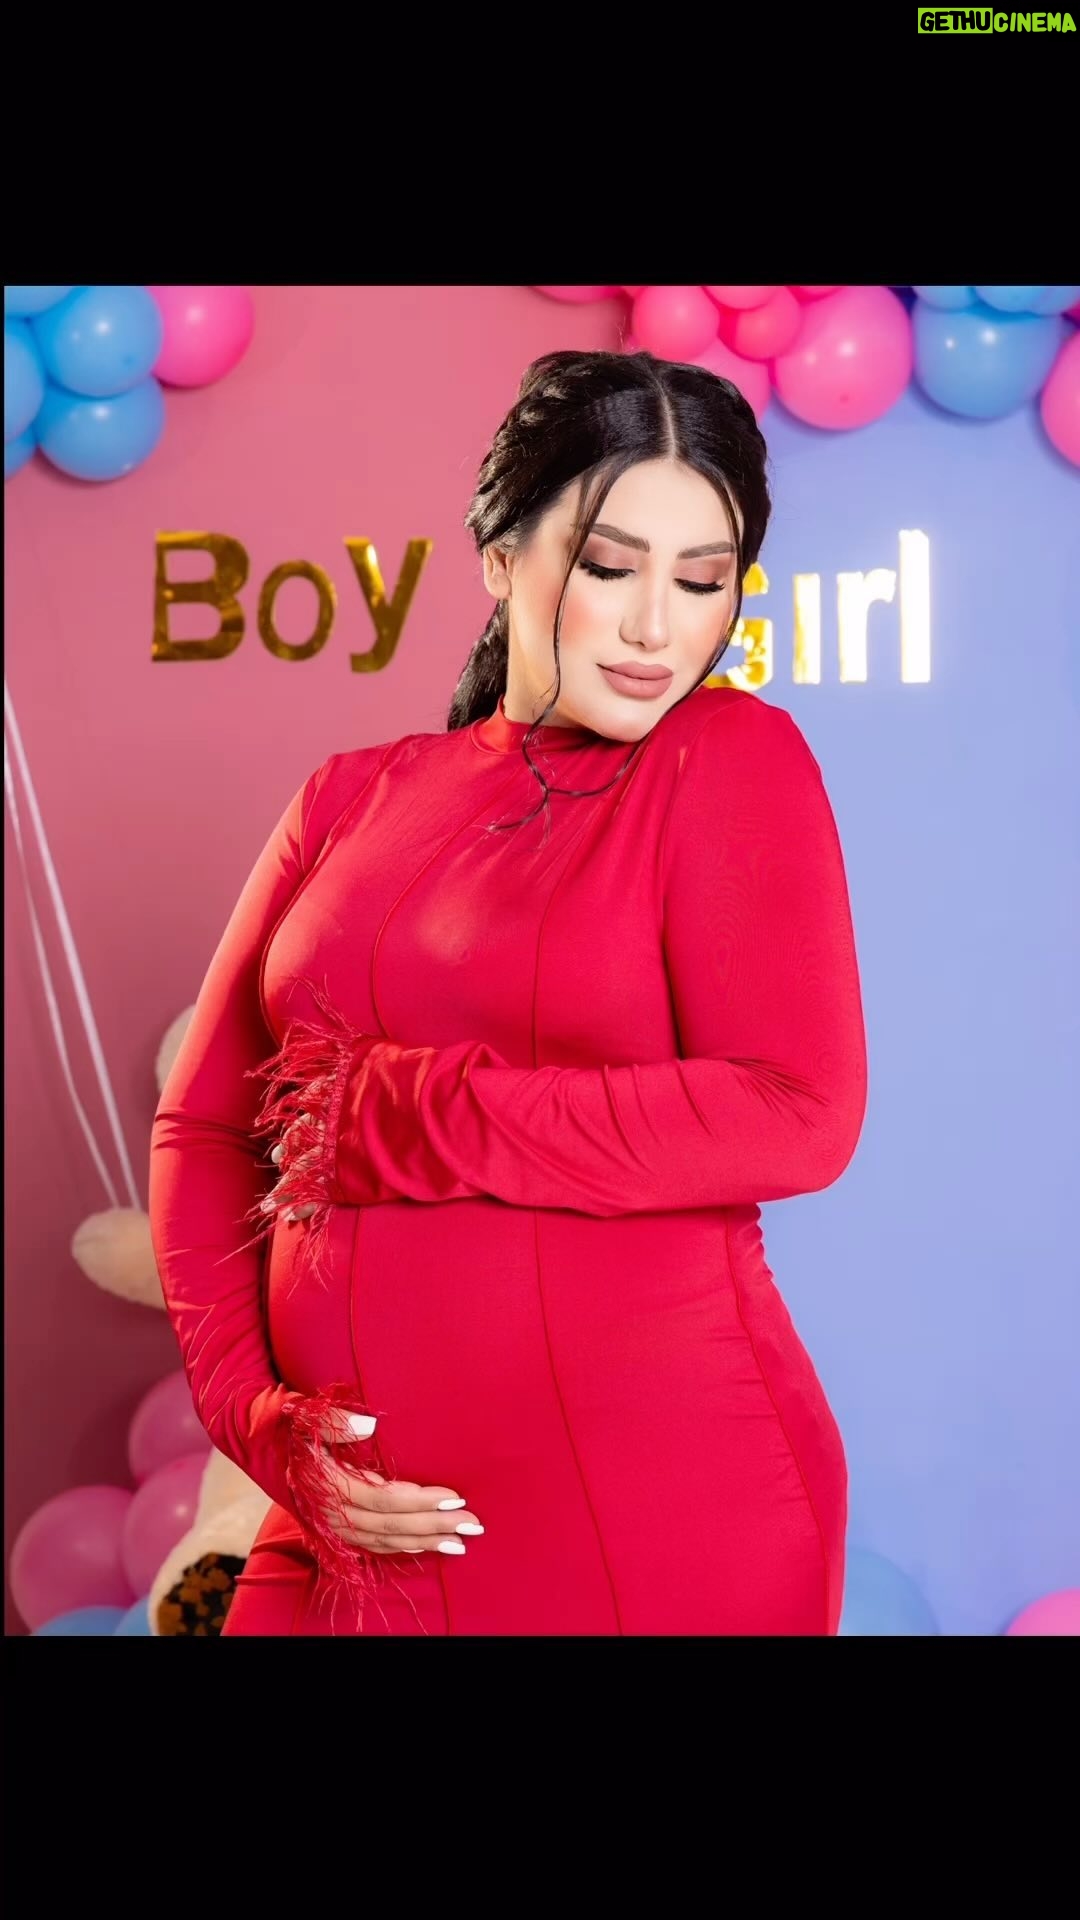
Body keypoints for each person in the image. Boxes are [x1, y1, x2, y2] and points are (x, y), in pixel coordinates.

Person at [148, 347, 868, 1636]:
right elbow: (205, 1128)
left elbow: (796, 1110)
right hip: (353, 1521)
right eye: (609, 568)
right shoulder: (350, 796)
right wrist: (258, 1423)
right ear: (500, 557)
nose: (657, 628)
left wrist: (412, 1113)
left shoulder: (727, 758)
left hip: (662, 1511)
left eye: (702, 580)